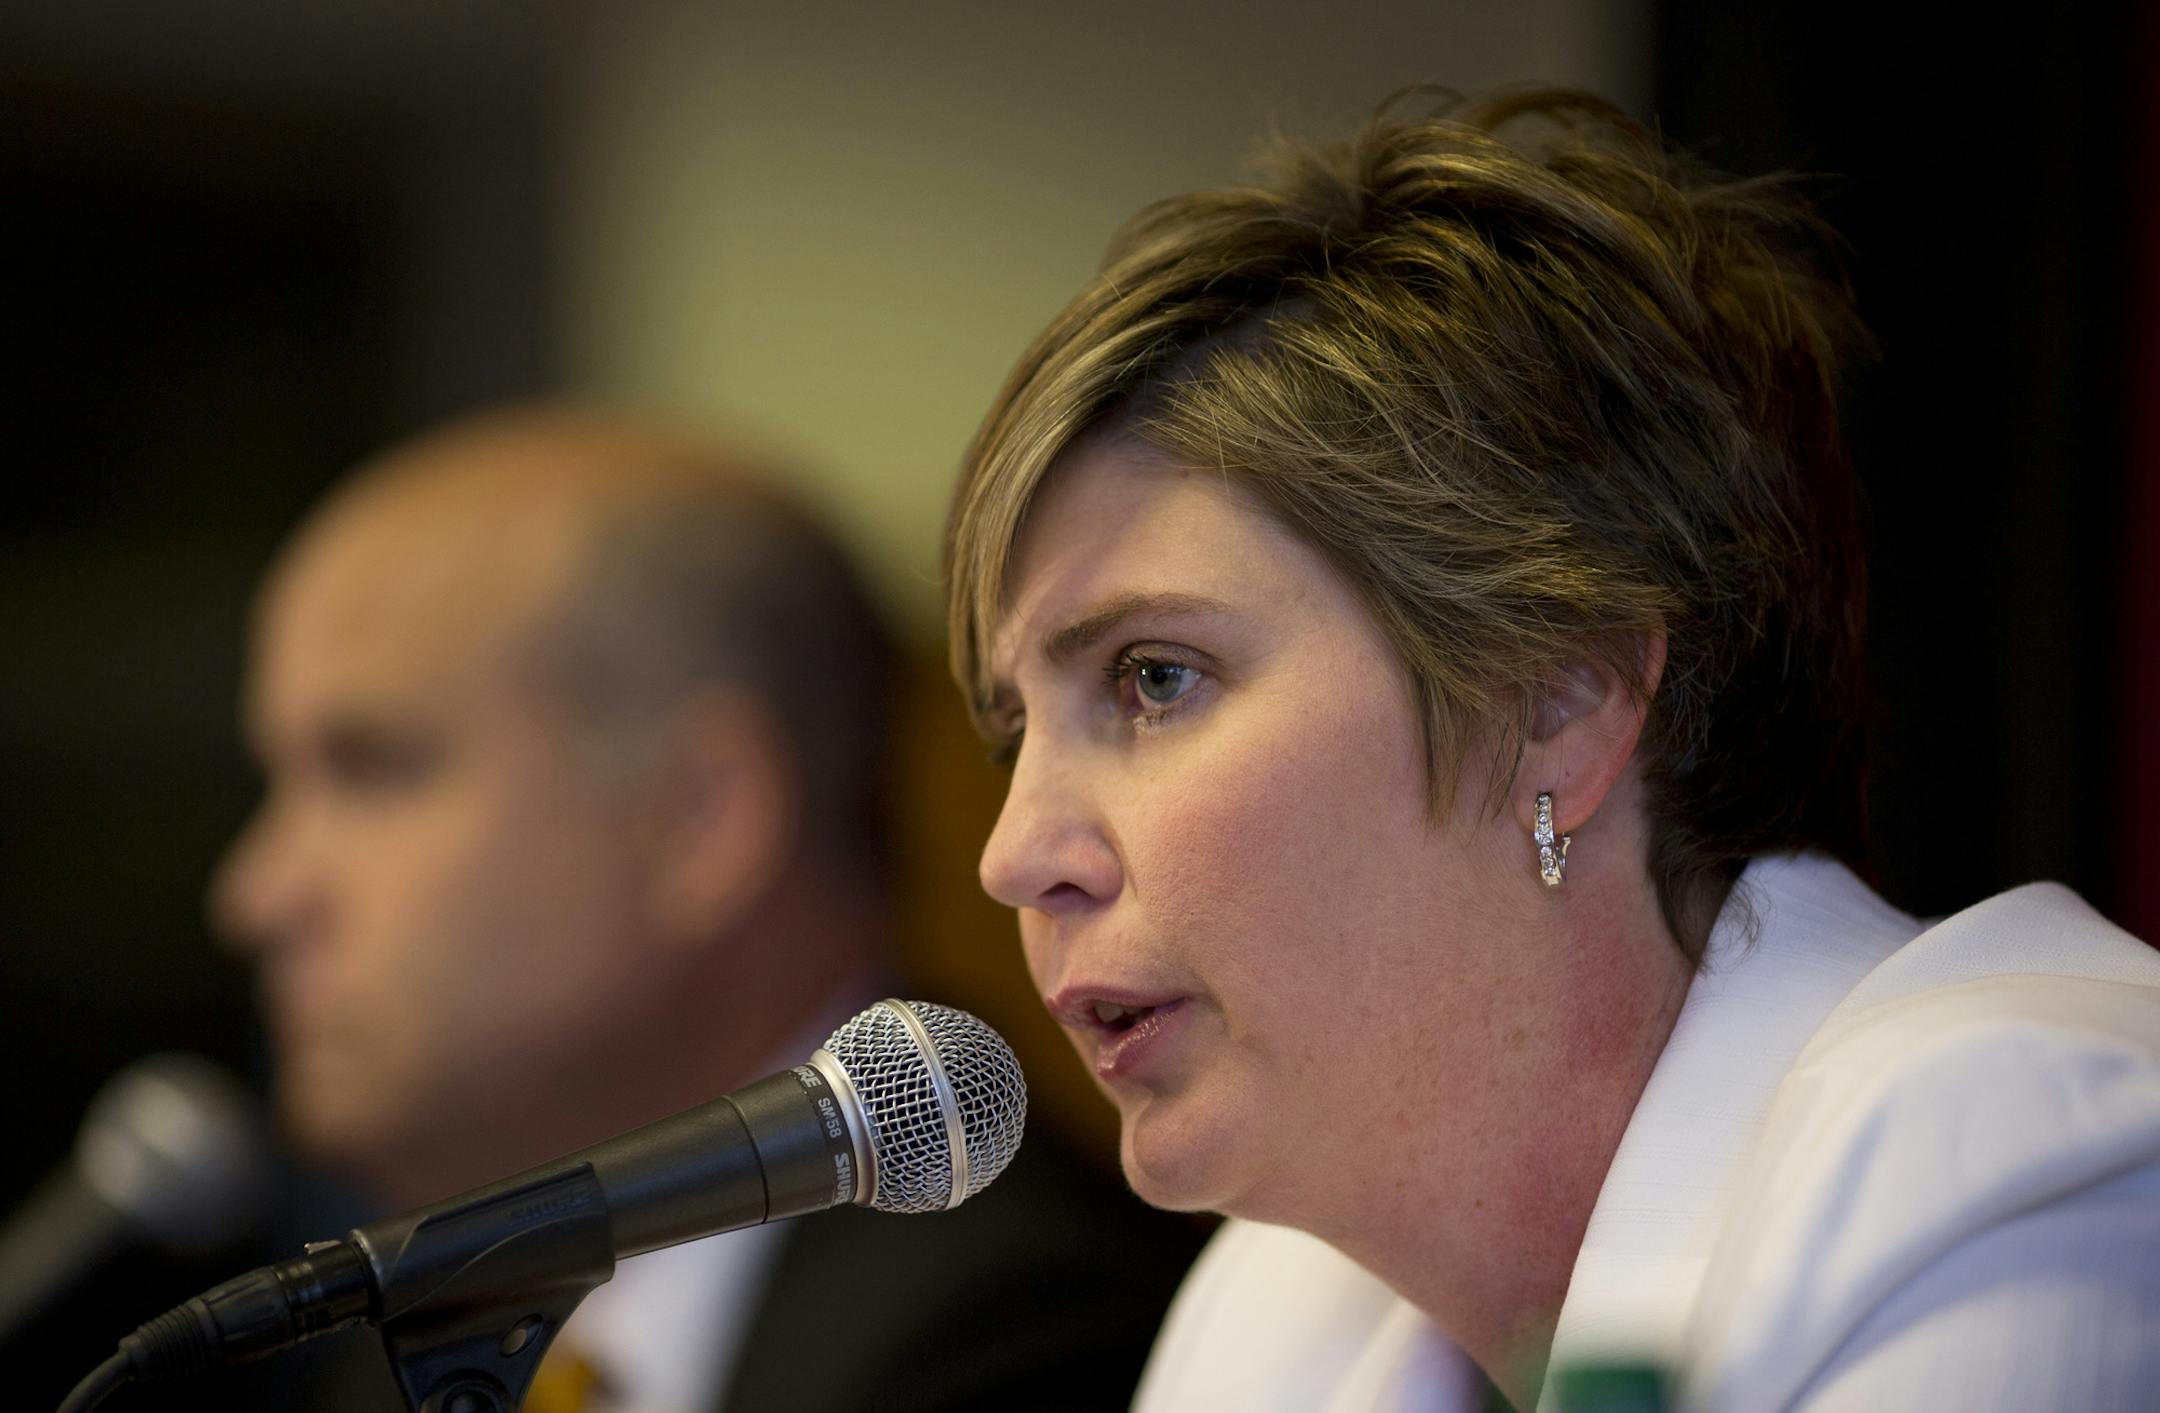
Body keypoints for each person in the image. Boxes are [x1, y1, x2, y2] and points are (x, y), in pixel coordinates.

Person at [941, 91, 2160, 1412]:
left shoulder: (2007, 1155)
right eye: (1017, 730)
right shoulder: (1269, 1319)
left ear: (1563, 699)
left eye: (1154, 679)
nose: (1016, 858)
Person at [213, 405, 1202, 1412]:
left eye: (371, 773)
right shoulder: (407, 1340)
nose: (256, 895)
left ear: (701, 819)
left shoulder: (1026, 1332)